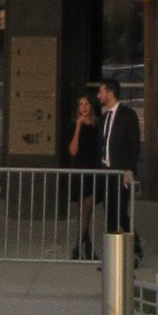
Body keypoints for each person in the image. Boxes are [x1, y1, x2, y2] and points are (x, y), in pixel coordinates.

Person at [96, 74, 142, 258]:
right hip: (106, 172)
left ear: (110, 92)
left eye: (101, 92)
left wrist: (129, 170)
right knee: (109, 212)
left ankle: (132, 246)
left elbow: (133, 144)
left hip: (120, 172)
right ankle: (113, 255)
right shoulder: (104, 118)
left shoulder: (127, 115)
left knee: (119, 212)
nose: (99, 95)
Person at [67, 90, 100, 258]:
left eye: (86, 104)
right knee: (82, 213)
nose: (84, 107)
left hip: (92, 171)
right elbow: (72, 150)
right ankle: (83, 248)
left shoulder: (97, 125)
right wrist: (79, 127)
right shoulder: (75, 124)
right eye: (81, 104)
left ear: (91, 106)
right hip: (79, 171)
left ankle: (81, 248)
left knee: (87, 212)